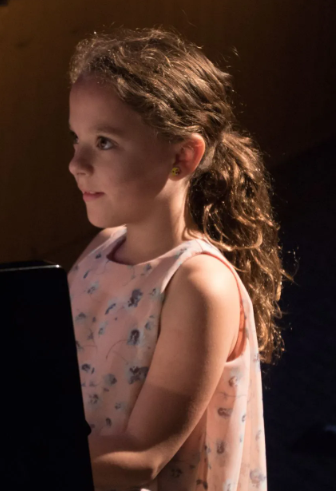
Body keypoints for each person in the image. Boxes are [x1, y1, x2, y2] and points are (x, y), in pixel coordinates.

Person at [66, 28, 290, 490]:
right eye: (76, 139)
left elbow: (142, 454)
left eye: (104, 142)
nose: (77, 163)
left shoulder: (197, 286)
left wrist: (0, 458)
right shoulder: (103, 246)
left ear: (183, 156)